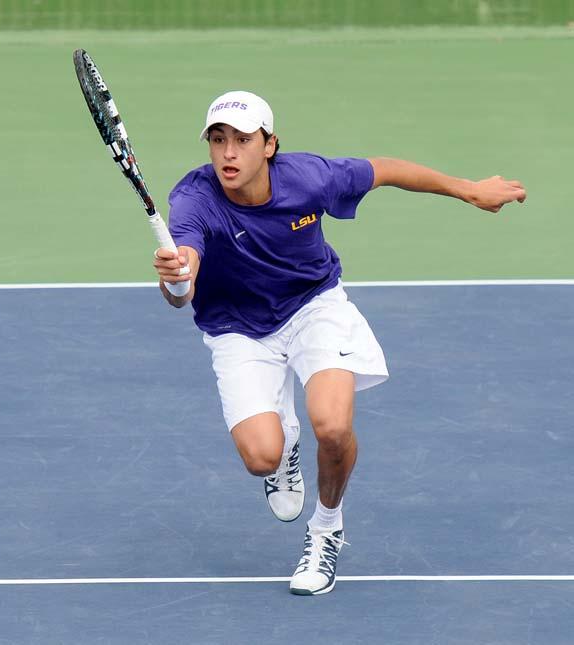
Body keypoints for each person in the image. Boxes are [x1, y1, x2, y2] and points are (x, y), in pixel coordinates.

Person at [153, 91, 526, 596]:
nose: (228, 154)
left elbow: (385, 168)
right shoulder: (194, 199)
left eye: (242, 140)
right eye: (218, 141)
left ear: (270, 145)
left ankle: (326, 529)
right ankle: (284, 447)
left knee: (332, 424)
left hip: (313, 307)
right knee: (262, 456)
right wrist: (178, 279)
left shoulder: (309, 178)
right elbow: (184, 284)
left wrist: (467, 189)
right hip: (237, 327)